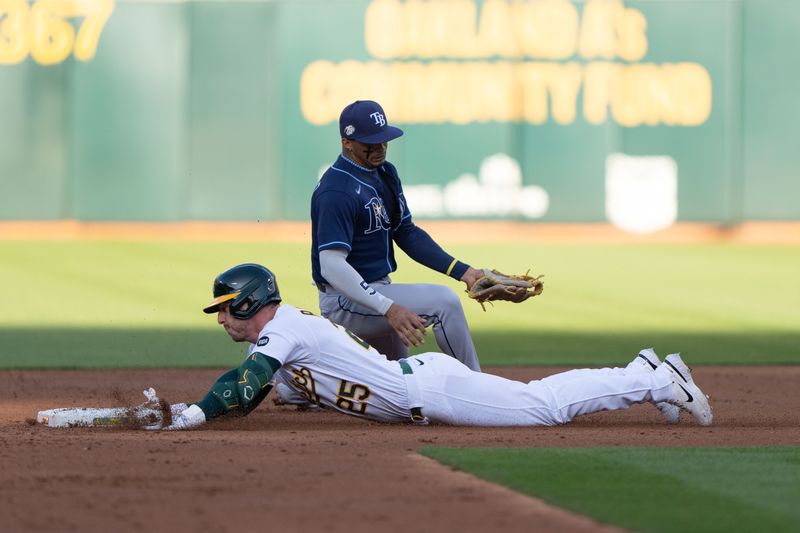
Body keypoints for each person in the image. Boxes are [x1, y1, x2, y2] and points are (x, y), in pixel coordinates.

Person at [157, 263, 713, 430]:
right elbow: (257, 391)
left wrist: (195, 414)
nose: (222, 317)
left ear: (252, 304)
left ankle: (657, 378)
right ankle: (641, 371)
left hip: (431, 388)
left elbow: (245, 385)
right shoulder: (286, 339)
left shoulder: (286, 333)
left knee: (542, 406)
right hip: (417, 387)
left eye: (227, 306)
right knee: (539, 403)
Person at [310, 100, 484, 371]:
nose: (380, 148)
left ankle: (296, 389)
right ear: (347, 142)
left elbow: (406, 232)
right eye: (371, 142)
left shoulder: (385, 173)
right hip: (345, 300)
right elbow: (331, 266)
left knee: (400, 382)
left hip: (378, 293)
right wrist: (388, 308)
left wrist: (465, 272)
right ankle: (478, 386)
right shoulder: (337, 191)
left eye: (383, 140)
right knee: (444, 302)